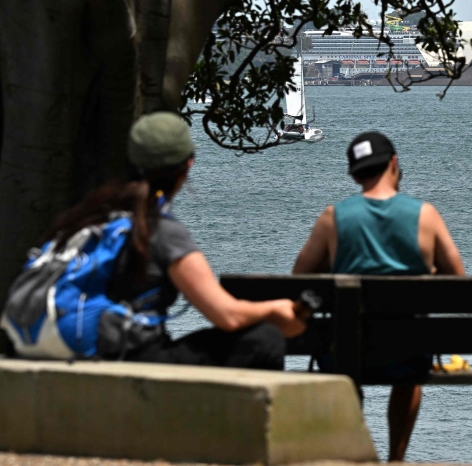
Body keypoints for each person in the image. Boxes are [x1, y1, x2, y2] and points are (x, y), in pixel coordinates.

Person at [38, 112, 306, 368]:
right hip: (129, 364)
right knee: (264, 339)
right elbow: (228, 316)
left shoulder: (84, 216)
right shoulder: (158, 228)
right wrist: (275, 310)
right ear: (187, 165)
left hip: (64, 353)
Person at [293, 131, 464, 462]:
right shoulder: (425, 215)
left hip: (345, 353)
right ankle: (396, 458)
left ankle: (354, 451)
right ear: (394, 164)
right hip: (408, 356)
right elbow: (457, 282)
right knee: (410, 360)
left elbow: (298, 282)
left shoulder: (333, 219)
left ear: (354, 174)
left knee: (348, 352)